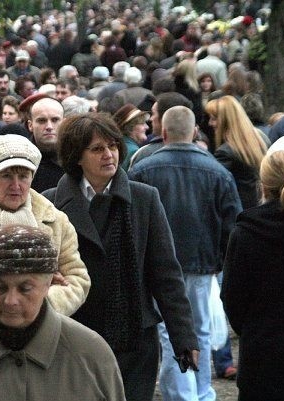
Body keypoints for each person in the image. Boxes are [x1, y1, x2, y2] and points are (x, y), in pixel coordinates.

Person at [45, 113, 199, 401]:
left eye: (113, 146)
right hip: (75, 333)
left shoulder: (144, 199)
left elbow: (166, 275)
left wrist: (184, 336)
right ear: (77, 156)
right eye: (97, 149)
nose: (108, 155)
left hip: (134, 338)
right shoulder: (51, 203)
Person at [129, 106, 241, 401]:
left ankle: (183, 394)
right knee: (200, 331)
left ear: (162, 132)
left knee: (169, 332)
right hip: (202, 265)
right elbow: (233, 224)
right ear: (194, 132)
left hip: (159, 265)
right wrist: (219, 262)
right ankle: (200, 392)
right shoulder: (218, 172)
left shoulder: (143, 168)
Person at [0, 225, 124, 401]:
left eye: (25, 288)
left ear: (49, 283)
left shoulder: (90, 355)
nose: (11, 300)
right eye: (0, 287)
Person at [0, 134, 90, 317]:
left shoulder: (56, 221)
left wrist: (40, 306)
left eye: (23, 176)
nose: (16, 185)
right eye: (6, 176)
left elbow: (78, 279)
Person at [222, 150, 284, 401]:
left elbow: (233, 300)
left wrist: (252, 328)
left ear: (263, 185)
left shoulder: (246, 233)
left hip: (262, 356)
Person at [206, 95, 268, 210]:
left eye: (213, 118)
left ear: (225, 120)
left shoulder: (225, 153)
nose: (210, 123)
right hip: (260, 208)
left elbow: (216, 188)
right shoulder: (261, 140)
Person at [27, 97, 65, 192]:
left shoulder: (78, 157)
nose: (49, 127)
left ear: (64, 123)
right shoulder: (20, 158)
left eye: (55, 120)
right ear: (30, 125)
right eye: (42, 121)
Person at [113, 103, 149, 171]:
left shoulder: (121, 145)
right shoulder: (133, 151)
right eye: (142, 123)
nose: (147, 127)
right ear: (130, 127)